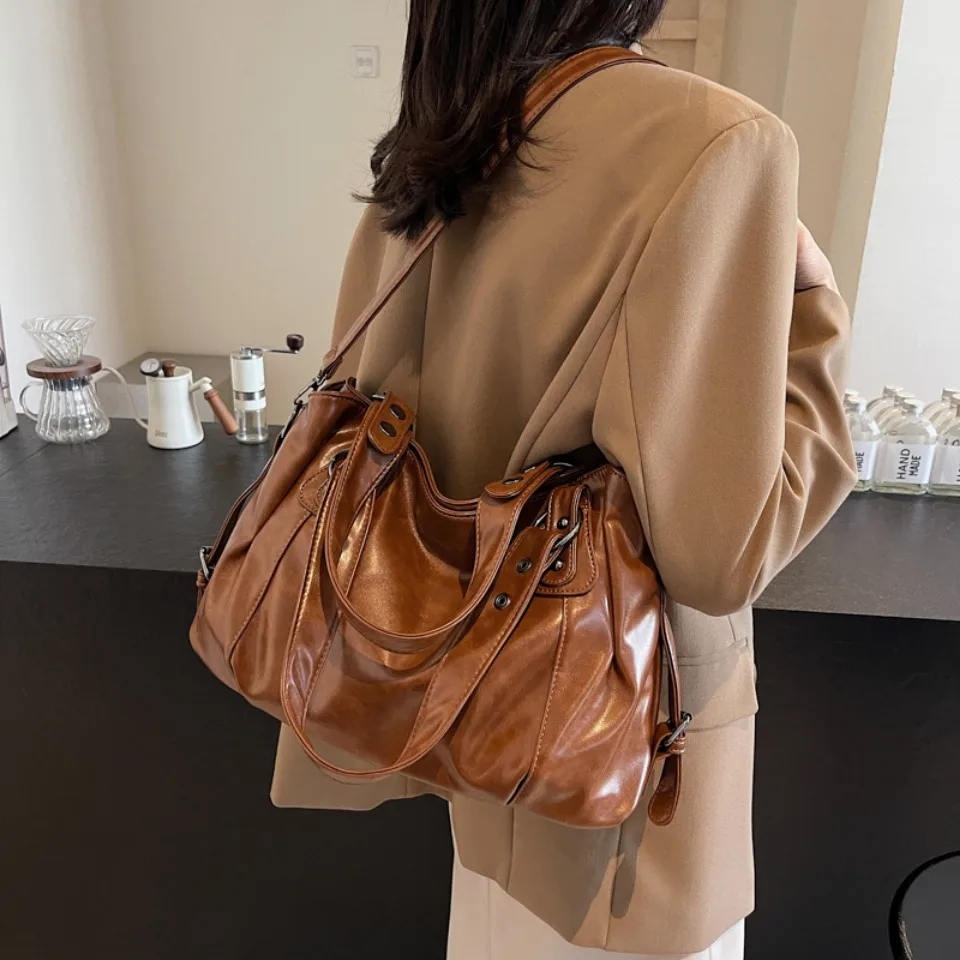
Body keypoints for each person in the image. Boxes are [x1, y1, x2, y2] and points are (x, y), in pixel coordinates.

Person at [270, 2, 857, 958]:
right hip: (613, 765)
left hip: (467, 726)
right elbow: (723, 556)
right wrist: (815, 312)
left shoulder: (447, 127)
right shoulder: (717, 140)